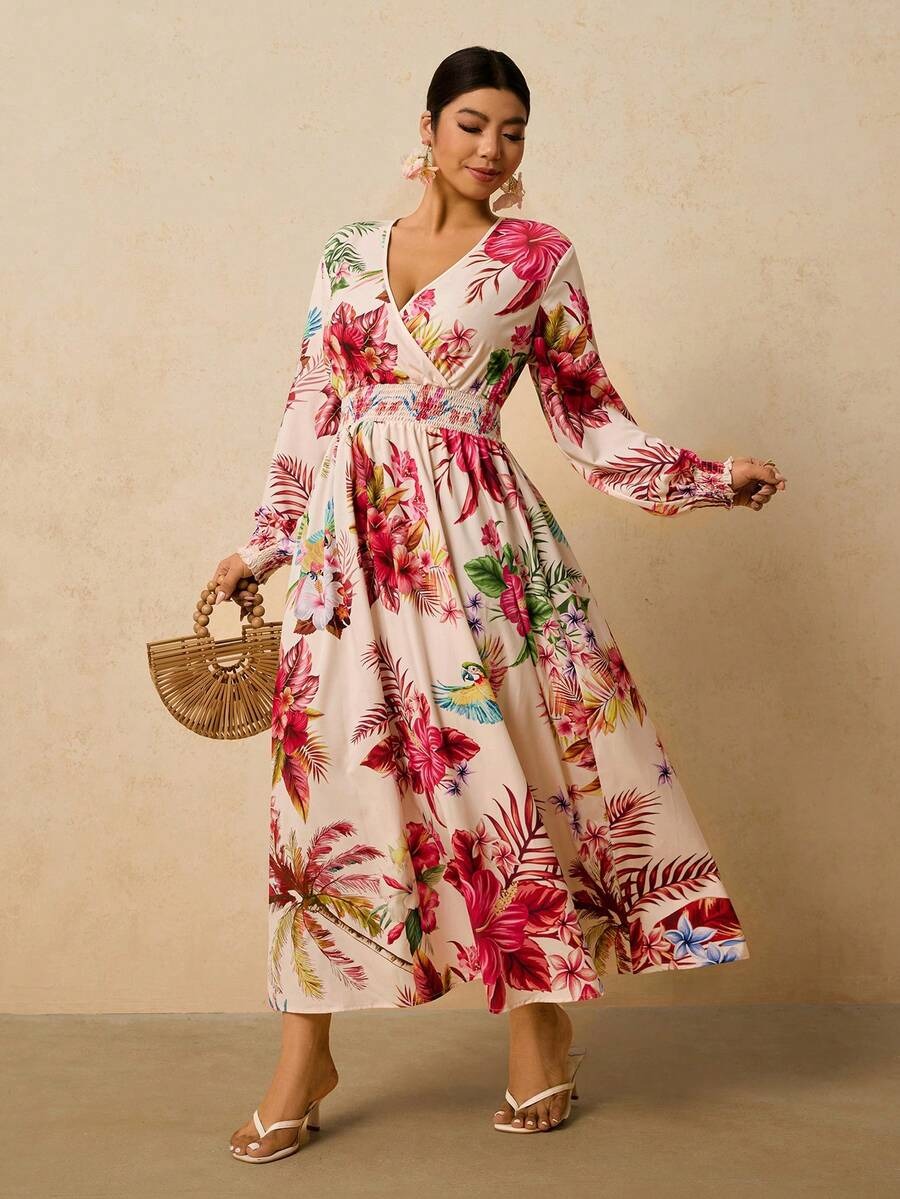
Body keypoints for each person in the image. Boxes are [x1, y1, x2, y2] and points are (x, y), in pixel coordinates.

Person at [212, 46, 786, 1162]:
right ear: (428, 128)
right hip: (347, 560)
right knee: (326, 799)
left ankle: (540, 1028)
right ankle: (304, 1056)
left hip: (479, 551)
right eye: (473, 123)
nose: (492, 147)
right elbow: (309, 407)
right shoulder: (344, 254)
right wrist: (262, 546)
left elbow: (589, 416)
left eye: (513, 130)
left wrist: (711, 478)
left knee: (507, 782)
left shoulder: (537, 257)